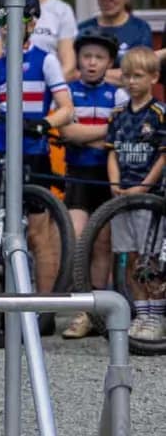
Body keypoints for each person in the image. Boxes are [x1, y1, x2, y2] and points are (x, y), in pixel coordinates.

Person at [0, 0, 76, 298]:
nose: (8, 27)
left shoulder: (47, 60)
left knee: (39, 235)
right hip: (0, 151)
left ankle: (43, 310)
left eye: (17, 20)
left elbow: (67, 109)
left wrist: (44, 124)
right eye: (2, 21)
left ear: (32, 23)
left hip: (34, 153)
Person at [58, 28, 126, 339]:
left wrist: (88, 133)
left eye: (99, 57)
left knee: (102, 244)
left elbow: (121, 133)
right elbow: (68, 134)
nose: (92, 63)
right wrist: (104, 131)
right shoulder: (68, 92)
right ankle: (80, 308)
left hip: (107, 177)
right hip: (78, 176)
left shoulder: (120, 94)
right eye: (87, 56)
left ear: (110, 61)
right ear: (79, 60)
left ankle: (96, 311)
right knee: (76, 239)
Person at [105, 48, 166, 340]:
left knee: (148, 257)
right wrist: (115, 182)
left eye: (138, 76)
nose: (131, 82)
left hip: (147, 198)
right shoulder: (117, 115)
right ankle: (141, 313)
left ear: (154, 77)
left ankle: (156, 316)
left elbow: (163, 157)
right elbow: (112, 154)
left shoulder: (158, 114)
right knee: (129, 257)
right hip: (121, 197)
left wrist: (144, 186)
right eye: (127, 76)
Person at [78, 0, 155, 82]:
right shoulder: (83, 29)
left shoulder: (140, 29)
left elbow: (140, 75)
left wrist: (91, 75)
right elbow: (71, 73)